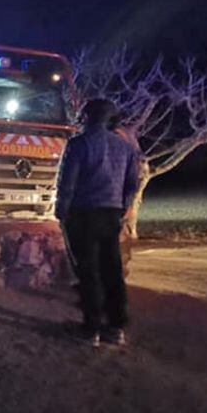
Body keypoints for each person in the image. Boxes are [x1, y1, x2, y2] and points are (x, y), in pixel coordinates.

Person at [55, 98, 141, 348]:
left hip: (83, 214)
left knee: (88, 270)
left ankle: (90, 329)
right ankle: (116, 327)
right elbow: (132, 184)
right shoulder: (124, 148)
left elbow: (68, 182)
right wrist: (122, 209)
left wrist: (61, 210)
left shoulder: (79, 144)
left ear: (87, 117)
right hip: (111, 214)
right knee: (112, 269)